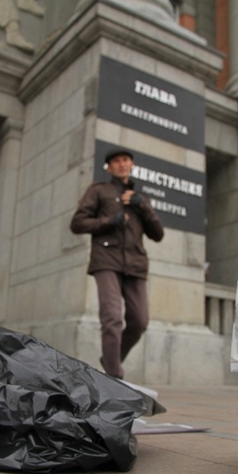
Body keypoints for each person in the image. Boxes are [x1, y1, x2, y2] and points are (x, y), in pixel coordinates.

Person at [70, 148, 164, 379]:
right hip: (106, 260)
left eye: (125, 160)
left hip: (135, 263)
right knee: (112, 317)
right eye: (116, 161)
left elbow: (158, 234)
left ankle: (110, 359)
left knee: (140, 321)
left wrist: (143, 206)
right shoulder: (98, 190)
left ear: (132, 165)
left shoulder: (140, 198)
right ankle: (114, 376)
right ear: (109, 167)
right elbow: (77, 223)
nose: (121, 164)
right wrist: (109, 221)